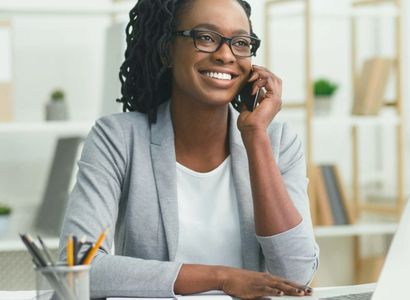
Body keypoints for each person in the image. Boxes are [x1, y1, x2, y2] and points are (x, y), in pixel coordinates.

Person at [58, 0, 319, 298]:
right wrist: (220, 277)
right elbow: (75, 268)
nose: (225, 55)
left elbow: (296, 275)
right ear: (167, 49)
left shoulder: (278, 141)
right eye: (206, 37)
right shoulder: (119, 138)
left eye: (241, 42)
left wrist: (255, 136)